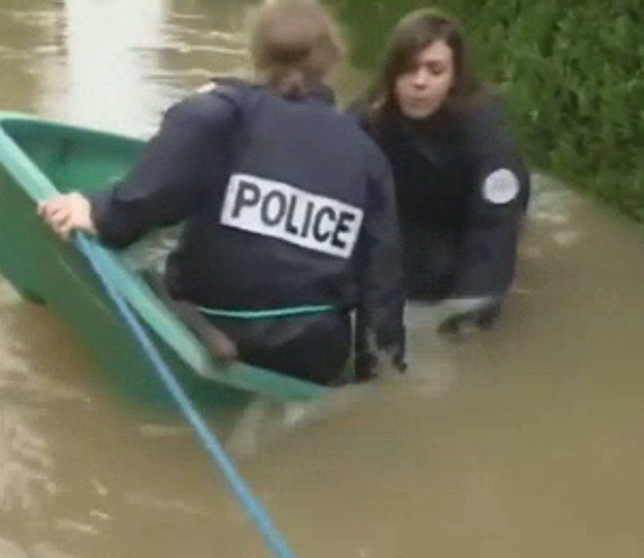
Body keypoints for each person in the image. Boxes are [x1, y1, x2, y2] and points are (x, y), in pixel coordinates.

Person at [37, 0, 407, 385]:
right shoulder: (367, 155)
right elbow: (383, 281)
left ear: (258, 52)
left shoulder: (223, 112)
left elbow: (159, 187)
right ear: (332, 60)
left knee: (150, 272)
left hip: (219, 327)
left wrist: (98, 213)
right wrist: (375, 373)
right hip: (315, 353)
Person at [347, 8, 530, 334]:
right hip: (394, 236)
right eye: (408, 70)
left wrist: (467, 319)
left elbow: (493, 232)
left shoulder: (486, 135)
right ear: (391, 74)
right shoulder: (365, 118)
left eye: (435, 70)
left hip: (454, 239)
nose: (419, 82)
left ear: (454, 77)